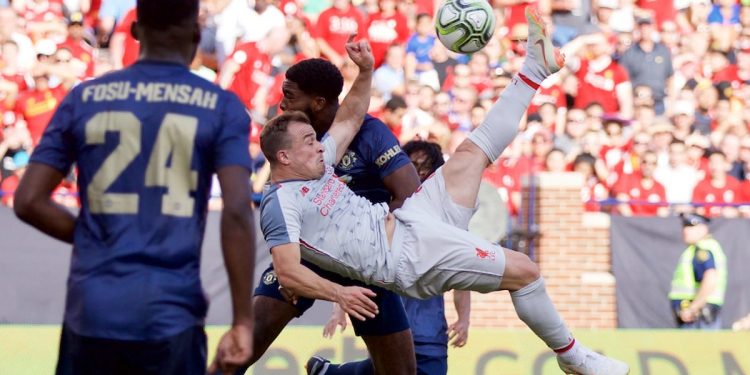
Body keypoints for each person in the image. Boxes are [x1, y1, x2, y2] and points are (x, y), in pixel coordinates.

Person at [259, 7, 629, 375]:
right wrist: (339, 294)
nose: (319, 146)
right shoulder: (281, 201)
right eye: (309, 141)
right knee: (526, 271)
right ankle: (574, 358)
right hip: (406, 258)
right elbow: (288, 270)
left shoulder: (318, 165)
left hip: (410, 219)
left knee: (471, 151)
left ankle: (534, 68)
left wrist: (367, 71)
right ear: (284, 156)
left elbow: (352, 116)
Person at [13, 1, 257, 373]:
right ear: (195, 34)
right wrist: (242, 320)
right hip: (171, 311)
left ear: (135, 32)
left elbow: (28, 200)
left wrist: (91, 236)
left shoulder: (84, 98)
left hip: (92, 308)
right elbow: (237, 211)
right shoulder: (221, 106)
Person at [237, 38, 421, 374]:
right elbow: (288, 268)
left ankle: (331, 373)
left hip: (364, 258)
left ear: (318, 102)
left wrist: (384, 250)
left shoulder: (365, 132)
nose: (281, 103)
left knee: (401, 372)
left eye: (290, 96)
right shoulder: (296, 141)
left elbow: (409, 194)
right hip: (306, 255)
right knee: (245, 345)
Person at [307, 140, 471, 375]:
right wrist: (338, 309)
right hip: (392, 320)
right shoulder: (383, 212)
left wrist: (463, 319)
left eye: (424, 167)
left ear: (434, 173)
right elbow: (353, 260)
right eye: (412, 165)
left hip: (430, 329)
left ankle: (327, 372)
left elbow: (460, 272)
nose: (418, 172)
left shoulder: (447, 217)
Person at [669, 213, 728, 330]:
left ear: (703, 228)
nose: (686, 230)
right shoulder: (704, 247)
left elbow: (710, 278)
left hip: (697, 317)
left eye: (691, 226)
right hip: (698, 315)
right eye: (684, 226)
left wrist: (693, 308)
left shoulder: (703, 249)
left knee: (697, 348)